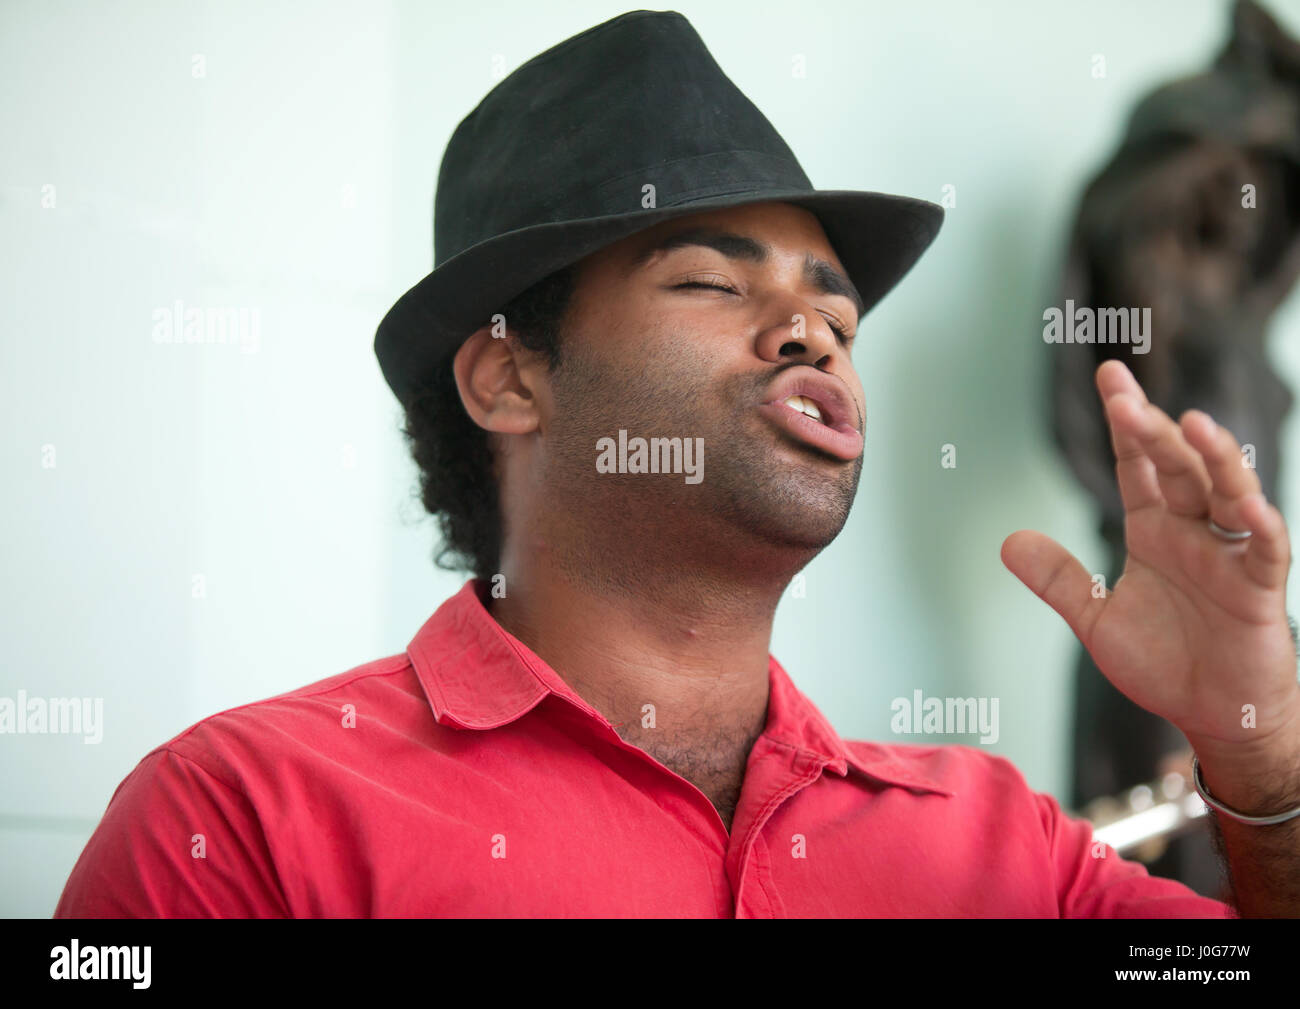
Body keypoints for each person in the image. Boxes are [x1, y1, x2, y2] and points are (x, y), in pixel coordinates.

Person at [54, 9, 1300, 918]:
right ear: (507, 375)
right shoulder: (243, 820)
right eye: (709, 280)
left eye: (839, 318)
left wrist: (1259, 737)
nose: (813, 329)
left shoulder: (999, 847)